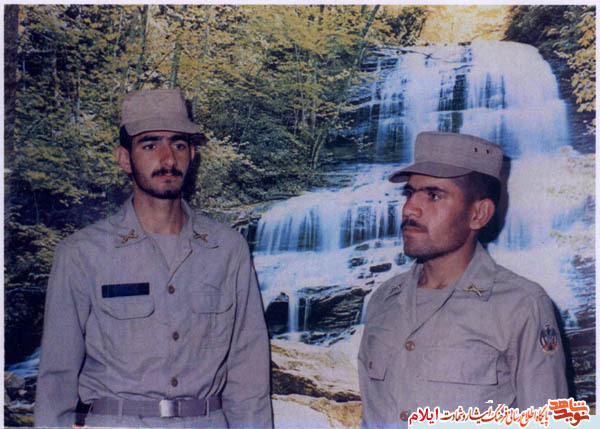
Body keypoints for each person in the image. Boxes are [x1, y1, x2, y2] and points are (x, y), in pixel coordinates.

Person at [34, 89, 273, 428]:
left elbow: (249, 380)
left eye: (178, 145)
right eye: (150, 146)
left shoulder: (228, 250)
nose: (168, 159)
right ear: (124, 158)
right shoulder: (81, 254)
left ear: (192, 154)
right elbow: (56, 382)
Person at [358, 132, 568, 427]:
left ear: (478, 214)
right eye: (409, 193)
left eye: (433, 195)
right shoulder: (384, 300)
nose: (409, 209)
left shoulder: (521, 307)